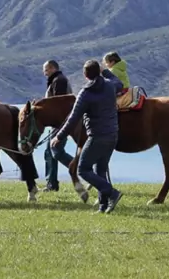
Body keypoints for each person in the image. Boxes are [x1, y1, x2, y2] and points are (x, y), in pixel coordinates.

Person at [50, 60, 123, 214]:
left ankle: (112, 193)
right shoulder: (110, 85)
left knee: (83, 170)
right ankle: (103, 206)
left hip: (97, 136)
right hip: (112, 135)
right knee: (100, 170)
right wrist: (105, 71)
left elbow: (73, 118)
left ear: (85, 75)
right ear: (99, 71)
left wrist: (59, 136)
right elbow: (119, 83)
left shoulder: (85, 93)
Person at [42, 60, 73, 192]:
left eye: (46, 69)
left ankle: (81, 168)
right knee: (49, 152)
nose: (44, 73)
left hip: (60, 122)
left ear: (53, 68)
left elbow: (58, 103)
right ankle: (51, 183)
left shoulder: (59, 81)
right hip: (58, 122)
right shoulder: (56, 80)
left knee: (56, 151)